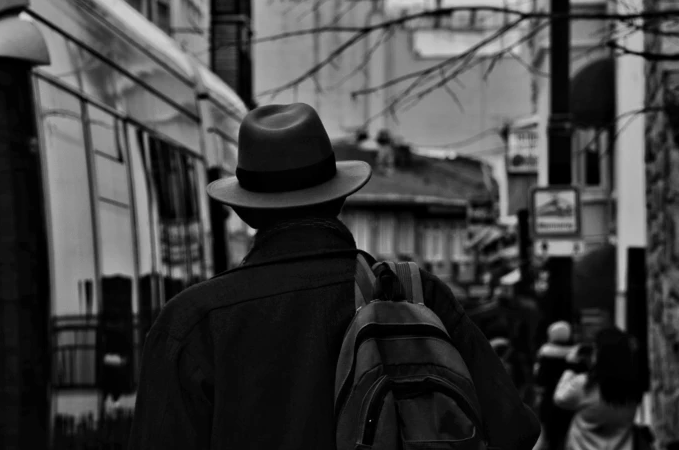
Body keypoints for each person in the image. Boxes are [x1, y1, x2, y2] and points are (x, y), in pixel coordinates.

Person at [128, 103, 540, 450]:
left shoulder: (193, 323)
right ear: (339, 197)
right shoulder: (413, 295)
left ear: (246, 210)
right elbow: (515, 430)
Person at [554, 327, 642, 450]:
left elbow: (560, 398)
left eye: (596, 349)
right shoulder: (632, 389)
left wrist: (571, 367)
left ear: (601, 354)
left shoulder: (585, 385)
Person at [533, 321, 576, 450]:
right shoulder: (575, 354)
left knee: (549, 437)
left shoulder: (545, 354)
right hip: (570, 400)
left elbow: (540, 379)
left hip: (549, 400)